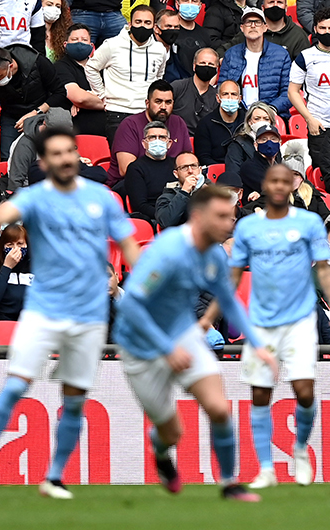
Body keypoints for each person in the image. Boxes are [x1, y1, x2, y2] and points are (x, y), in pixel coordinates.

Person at [0, 126, 140, 500]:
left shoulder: (102, 198)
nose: (64, 159)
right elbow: (6, 211)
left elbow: (127, 244)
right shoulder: (37, 197)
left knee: (75, 398)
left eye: (69, 151)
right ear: (44, 161)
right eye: (56, 153)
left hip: (88, 314)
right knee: (15, 386)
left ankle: (54, 477)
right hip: (43, 310)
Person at [112, 186, 271, 500]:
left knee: (219, 408)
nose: (230, 223)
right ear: (198, 216)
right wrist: (166, 348)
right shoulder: (168, 251)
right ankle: (160, 452)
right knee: (172, 432)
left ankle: (229, 484)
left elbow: (228, 298)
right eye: (222, 216)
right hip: (141, 345)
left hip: (183, 333)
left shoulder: (213, 254)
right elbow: (131, 306)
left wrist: (259, 344)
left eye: (232, 216)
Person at [226, 162, 330, 488]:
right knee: (260, 394)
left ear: (292, 184)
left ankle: (301, 448)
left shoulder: (308, 222)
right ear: (265, 185)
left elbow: (321, 267)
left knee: (304, 391)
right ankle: (265, 469)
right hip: (262, 323)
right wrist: (211, 315)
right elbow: (233, 275)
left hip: (300, 318)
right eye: (272, 181)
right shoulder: (249, 227)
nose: (278, 186)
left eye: (284, 180)